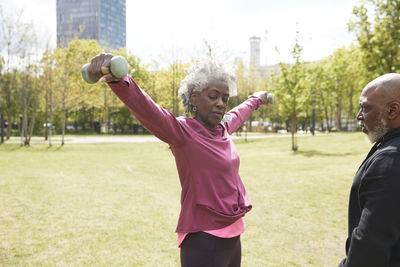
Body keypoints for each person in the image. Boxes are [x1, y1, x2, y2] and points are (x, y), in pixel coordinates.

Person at [89, 53, 271, 267]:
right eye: (213, 96)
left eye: (225, 98)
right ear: (194, 97)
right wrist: (119, 80)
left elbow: (241, 111)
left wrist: (257, 98)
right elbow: (147, 108)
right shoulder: (183, 133)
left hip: (233, 235)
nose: (221, 104)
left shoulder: (223, 128)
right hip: (204, 239)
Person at [339, 73, 400, 267]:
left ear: (392, 110)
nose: (359, 116)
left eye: (365, 108)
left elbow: (370, 246)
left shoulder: (390, 159)